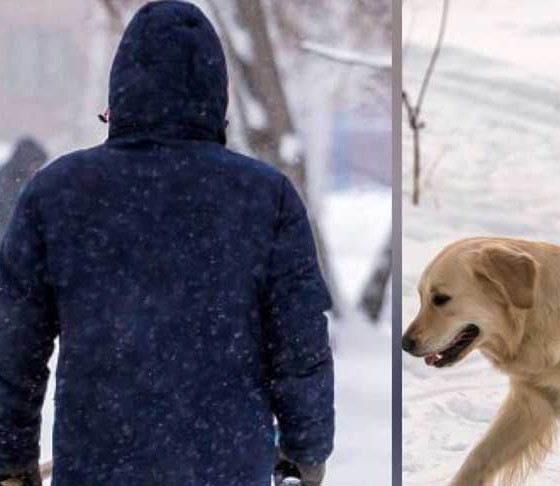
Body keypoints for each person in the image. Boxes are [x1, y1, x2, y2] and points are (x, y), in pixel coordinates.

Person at [0, 2, 334, 485]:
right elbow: (299, 341)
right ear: (215, 94)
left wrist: (10, 457)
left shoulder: (58, 191)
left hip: (99, 463)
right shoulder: (264, 196)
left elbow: (15, 342)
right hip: (227, 463)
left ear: (120, 88)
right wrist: (307, 451)